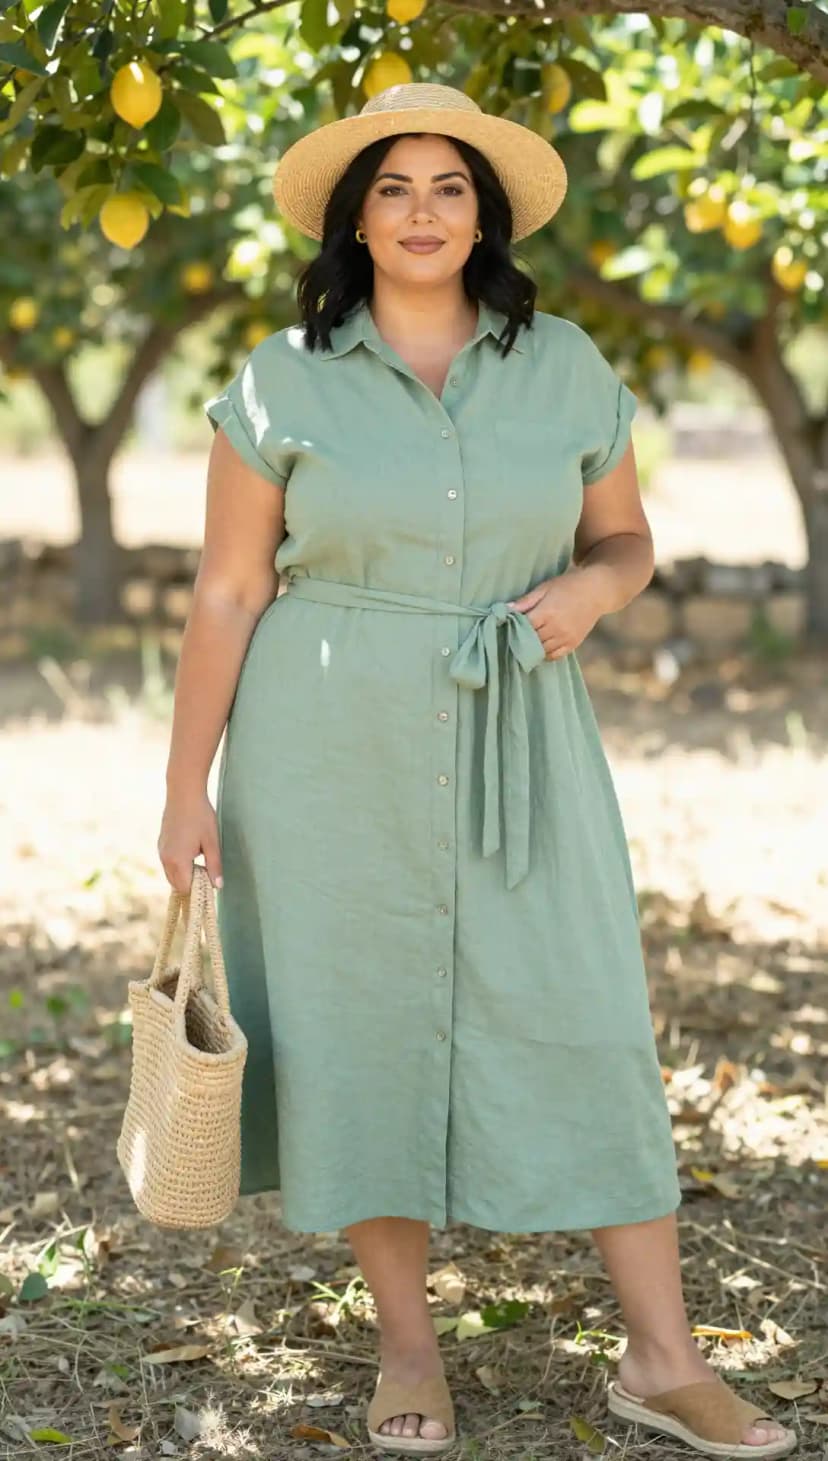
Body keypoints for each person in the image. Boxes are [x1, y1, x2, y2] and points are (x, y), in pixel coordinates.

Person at [158, 81, 797, 1461]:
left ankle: (664, 1354)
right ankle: (406, 1344)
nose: (424, 210)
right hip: (326, 753)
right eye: (394, 187)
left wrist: (590, 594)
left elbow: (628, 541)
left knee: (589, 1009)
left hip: (526, 737)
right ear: (355, 217)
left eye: (451, 187)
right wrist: (180, 791)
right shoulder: (280, 382)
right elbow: (225, 593)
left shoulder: (565, 364)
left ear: (486, 215)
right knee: (358, 1026)